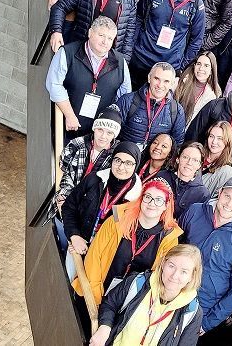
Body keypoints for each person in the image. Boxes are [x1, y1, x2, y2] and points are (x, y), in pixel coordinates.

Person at [72, 177, 183, 305]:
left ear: (166, 205)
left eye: (159, 200)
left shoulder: (169, 239)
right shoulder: (116, 221)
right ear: (141, 199)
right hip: (93, 294)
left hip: (128, 305)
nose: (152, 203)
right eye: (148, 197)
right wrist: (96, 299)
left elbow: (159, 278)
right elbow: (94, 259)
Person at [178, 176, 232, 336]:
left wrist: (207, 323)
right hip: (173, 288)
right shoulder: (195, 211)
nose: (229, 204)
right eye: (227, 196)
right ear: (219, 193)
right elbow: (171, 242)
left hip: (200, 308)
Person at [90, 244, 203, 346]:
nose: (174, 276)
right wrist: (105, 326)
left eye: (184, 272)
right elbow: (110, 303)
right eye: (171, 266)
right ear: (163, 263)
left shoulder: (192, 312)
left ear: (192, 277)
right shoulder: (138, 282)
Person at [46, 16, 131, 142]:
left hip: (98, 135)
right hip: (68, 126)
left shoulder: (120, 62)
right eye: (101, 35)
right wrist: (69, 115)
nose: (105, 41)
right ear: (90, 32)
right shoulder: (67, 53)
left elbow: (124, 96)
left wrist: (108, 124)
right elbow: (54, 85)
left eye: (110, 38)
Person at [48, 108, 122, 252]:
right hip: (69, 202)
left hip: (89, 211)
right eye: (100, 130)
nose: (103, 136)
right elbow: (66, 171)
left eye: (109, 133)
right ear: (94, 128)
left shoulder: (116, 157)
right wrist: (64, 194)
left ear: (114, 135)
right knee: (61, 240)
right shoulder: (77, 144)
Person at [129, 0, 206, 90]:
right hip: (141, 60)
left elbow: (196, 40)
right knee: (129, 100)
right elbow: (138, 18)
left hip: (168, 67)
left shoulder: (197, 5)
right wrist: (133, 46)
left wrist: (181, 67)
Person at [62, 141, 143, 254]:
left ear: (136, 165)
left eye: (128, 163)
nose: (121, 167)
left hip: (104, 255)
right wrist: (74, 235)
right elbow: (69, 207)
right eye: (117, 160)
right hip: (79, 244)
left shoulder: (136, 198)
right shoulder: (93, 179)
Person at [48, 0, 137, 63]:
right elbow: (60, 7)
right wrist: (56, 31)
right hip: (79, 55)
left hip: (107, 63)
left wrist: (123, 66)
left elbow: (128, 38)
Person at [115, 62, 186, 148]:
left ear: (172, 84)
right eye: (156, 79)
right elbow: (112, 132)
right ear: (149, 78)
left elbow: (176, 145)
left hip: (153, 160)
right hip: (126, 156)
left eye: (166, 81)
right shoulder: (128, 100)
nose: (160, 85)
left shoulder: (177, 110)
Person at [157, 142, 210, 218]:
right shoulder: (162, 177)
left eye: (195, 160)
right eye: (185, 157)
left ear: (199, 165)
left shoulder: (202, 194)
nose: (189, 163)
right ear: (178, 159)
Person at [174, 52, 222, 126]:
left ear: (211, 71)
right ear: (194, 65)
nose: (201, 68)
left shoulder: (213, 96)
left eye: (206, 66)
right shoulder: (179, 81)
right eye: (199, 64)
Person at [201, 121, 232, 196]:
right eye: (211, 136)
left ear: (227, 141)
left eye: (220, 138)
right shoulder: (198, 154)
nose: (214, 141)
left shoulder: (226, 171)